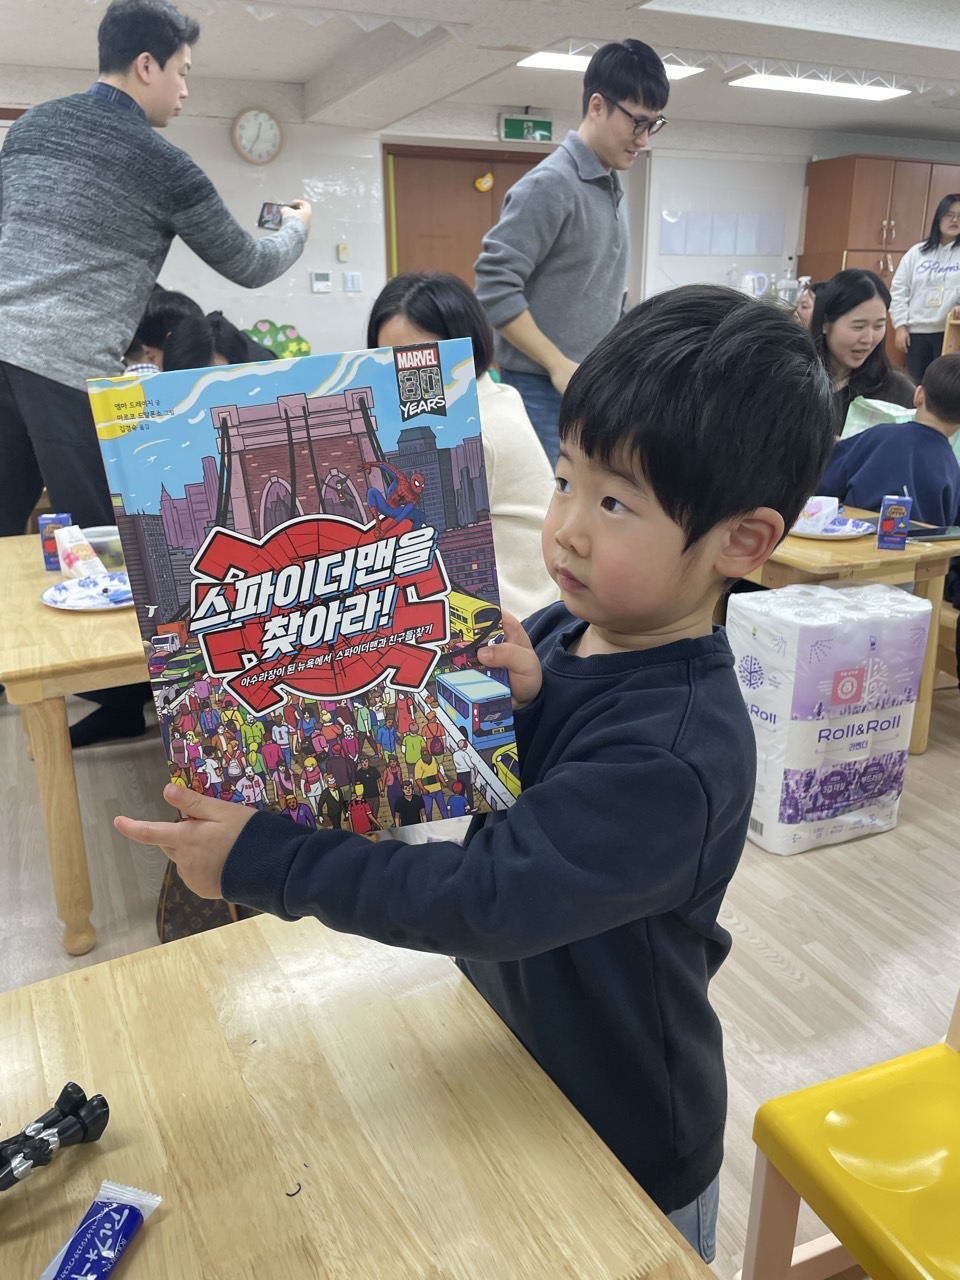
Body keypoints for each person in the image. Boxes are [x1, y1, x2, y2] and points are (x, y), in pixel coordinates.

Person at [114, 284, 835, 1259]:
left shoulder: (678, 751)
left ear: (741, 542)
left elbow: (489, 894)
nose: (568, 526)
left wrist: (268, 859)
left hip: (624, 1129)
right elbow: (532, 785)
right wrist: (523, 707)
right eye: (568, 478)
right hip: (514, 1052)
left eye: (615, 502)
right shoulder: (566, 629)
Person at [0, 0, 311, 747]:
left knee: (5, 524)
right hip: (65, 366)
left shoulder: (32, 127)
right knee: (104, 540)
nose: (186, 90)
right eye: (183, 72)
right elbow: (250, 263)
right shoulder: (165, 164)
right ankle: (121, 702)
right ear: (148, 64)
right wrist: (298, 227)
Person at [474, 40, 669, 466]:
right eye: (637, 121)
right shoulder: (550, 185)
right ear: (597, 106)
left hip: (586, 383)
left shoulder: (609, 184)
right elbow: (493, 286)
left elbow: (597, 292)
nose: (643, 138)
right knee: (547, 499)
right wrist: (557, 364)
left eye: (653, 124)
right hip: (541, 386)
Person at [367, 272, 558, 620]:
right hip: (521, 602)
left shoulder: (474, 428)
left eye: (423, 361)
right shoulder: (495, 394)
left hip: (511, 617)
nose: (405, 380)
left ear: (462, 350)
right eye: (388, 361)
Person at [819, 352, 960, 526]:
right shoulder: (953, 469)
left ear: (919, 395)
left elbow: (824, 480)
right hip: (918, 544)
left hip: (857, 538)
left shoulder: (878, 436)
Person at [811, 269, 915, 433]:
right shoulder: (797, 382)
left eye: (878, 326)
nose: (868, 339)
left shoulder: (897, 390)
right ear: (825, 324)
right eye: (858, 327)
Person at [891, 193, 960, 381]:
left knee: (944, 385)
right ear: (938, 217)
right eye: (949, 215)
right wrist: (900, 326)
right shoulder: (917, 253)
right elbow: (899, 290)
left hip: (951, 331)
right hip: (916, 333)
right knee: (915, 384)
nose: (955, 220)